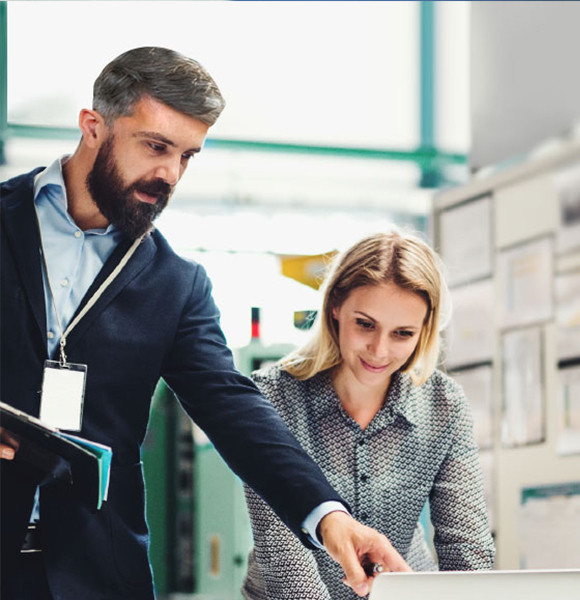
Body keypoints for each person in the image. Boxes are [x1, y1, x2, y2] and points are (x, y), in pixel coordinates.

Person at [0, 47, 410, 600]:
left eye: (188, 156)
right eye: (156, 146)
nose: (169, 173)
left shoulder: (176, 284)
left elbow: (236, 410)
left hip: (93, 574)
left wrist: (330, 518)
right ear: (93, 126)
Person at [242, 230, 496, 600]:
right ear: (335, 307)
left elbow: (467, 549)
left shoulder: (444, 406)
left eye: (403, 333)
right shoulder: (272, 397)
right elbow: (286, 561)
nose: (379, 350)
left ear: (424, 330)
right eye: (365, 324)